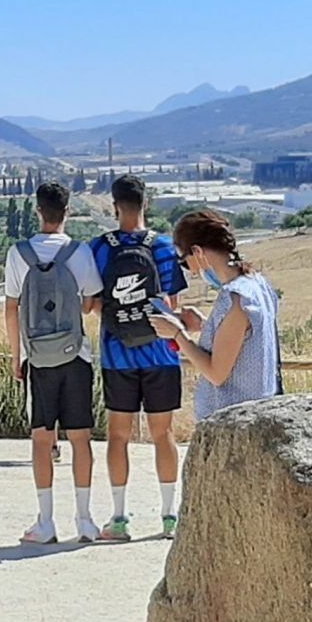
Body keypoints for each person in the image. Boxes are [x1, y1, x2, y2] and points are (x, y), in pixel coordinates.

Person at [87, 175, 188, 541]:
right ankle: (168, 517)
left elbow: (94, 303)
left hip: (118, 355)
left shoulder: (100, 248)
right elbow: (172, 304)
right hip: (162, 353)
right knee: (164, 435)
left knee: (118, 436)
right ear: (146, 203)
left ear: (115, 206)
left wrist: (120, 323)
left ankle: (119, 518)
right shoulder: (162, 246)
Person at [5, 179, 105, 545]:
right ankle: (84, 519)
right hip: (75, 355)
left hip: (38, 359)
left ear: (37, 211)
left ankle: (45, 522)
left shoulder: (19, 254)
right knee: (80, 439)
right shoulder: (78, 253)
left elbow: (11, 308)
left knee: (41, 439)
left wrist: (17, 356)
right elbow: (92, 301)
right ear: (68, 211)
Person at [155, 207, 283, 420]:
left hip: (234, 421)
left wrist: (178, 335)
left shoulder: (236, 298)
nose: (191, 271)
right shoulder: (258, 285)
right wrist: (206, 325)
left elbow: (216, 373)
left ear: (197, 252)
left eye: (183, 261)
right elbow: (244, 340)